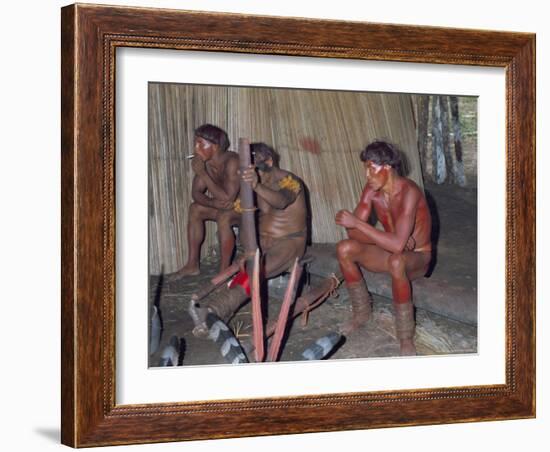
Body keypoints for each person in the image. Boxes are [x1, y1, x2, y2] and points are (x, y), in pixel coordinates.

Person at [190, 142, 308, 331]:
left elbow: (281, 202)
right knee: (244, 262)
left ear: (269, 162)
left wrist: (256, 185)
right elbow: (254, 210)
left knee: (254, 271)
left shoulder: (290, 181)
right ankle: (221, 308)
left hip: (289, 242)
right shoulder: (254, 182)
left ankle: (215, 310)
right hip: (263, 242)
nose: (250, 175)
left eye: (255, 170)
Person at [334, 140, 432, 356]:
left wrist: (359, 224)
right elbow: (353, 234)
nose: (367, 175)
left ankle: (405, 336)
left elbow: (395, 245)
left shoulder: (409, 192)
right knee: (344, 248)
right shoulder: (372, 191)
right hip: (391, 252)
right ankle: (361, 313)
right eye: (366, 169)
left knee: (397, 260)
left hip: (417, 257)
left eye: (371, 168)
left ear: (387, 167)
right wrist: (387, 238)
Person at [170, 124, 241, 278]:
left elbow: (228, 198)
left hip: (243, 209)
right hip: (223, 206)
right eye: (196, 143)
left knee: (224, 217)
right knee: (195, 209)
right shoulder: (206, 163)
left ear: (215, 146)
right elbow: (195, 193)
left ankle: (224, 271)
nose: (196, 148)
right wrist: (211, 203)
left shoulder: (232, 161)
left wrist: (202, 173)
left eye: (200, 143)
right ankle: (192, 265)